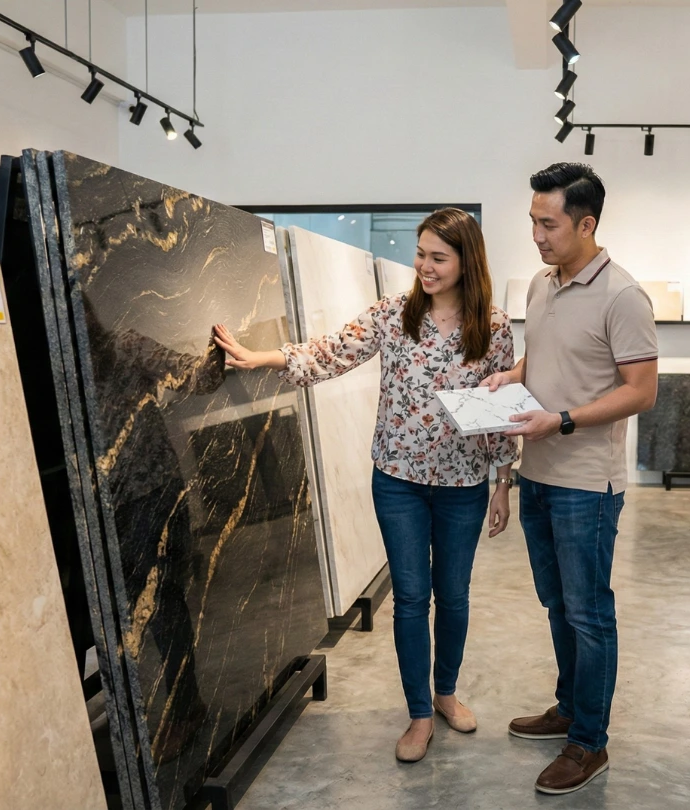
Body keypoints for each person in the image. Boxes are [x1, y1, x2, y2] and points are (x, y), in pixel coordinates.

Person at [211, 208, 519, 763]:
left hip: (463, 484)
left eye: (438, 257)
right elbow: (331, 352)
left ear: (466, 261)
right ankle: (419, 713)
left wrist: (503, 483)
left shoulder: (492, 328)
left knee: (452, 596)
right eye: (420, 254)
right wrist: (263, 357)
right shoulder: (393, 315)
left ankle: (445, 693)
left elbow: (498, 409)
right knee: (409, 598)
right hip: (397, 480)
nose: (424, 266)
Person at [483, 163, 658, 795]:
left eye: (547, 223)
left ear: (586, 224)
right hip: (541, 474)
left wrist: (559, 421)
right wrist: (512, 376)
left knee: (589, 614)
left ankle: (590, 743)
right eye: (532, 221)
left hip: (587, 483)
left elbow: (641, 391)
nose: (536, 234)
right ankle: (568, 707)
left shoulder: (623, 296)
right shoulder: (541, 283)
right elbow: (554, 354)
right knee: (557, 605)